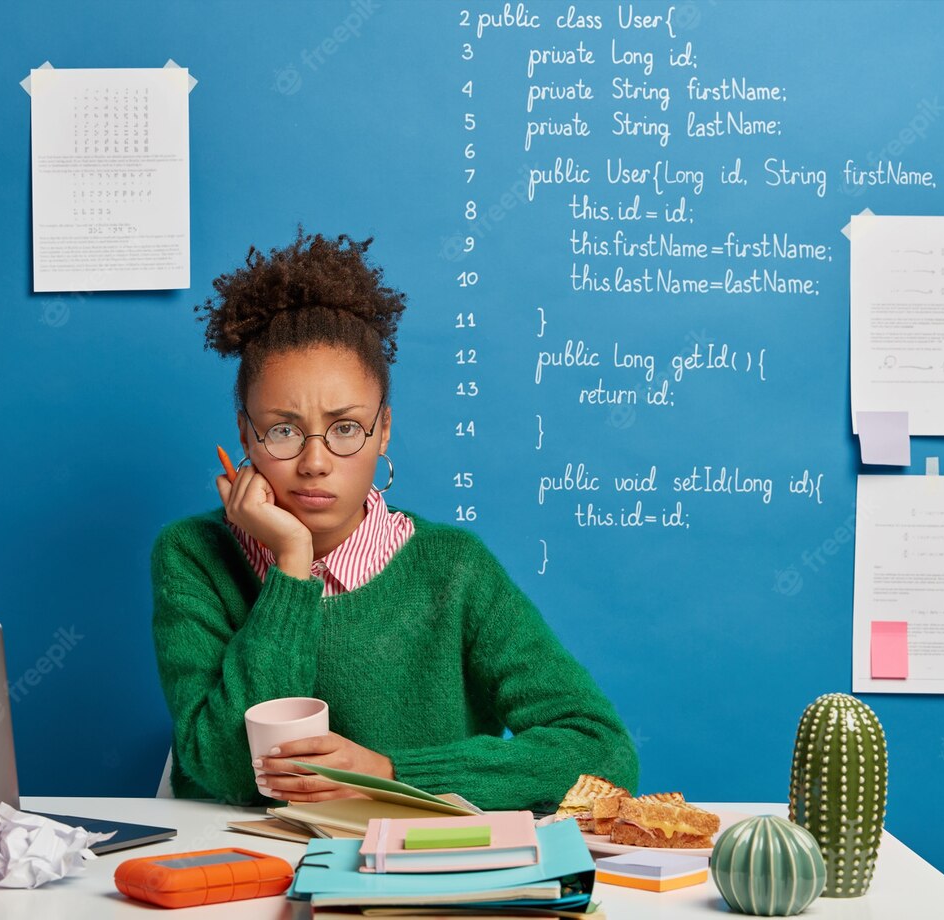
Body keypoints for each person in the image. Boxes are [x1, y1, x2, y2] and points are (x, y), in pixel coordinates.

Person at [151, 228, 638, 809]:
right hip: (244, 874)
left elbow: (603, 753)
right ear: (244, 436)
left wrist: (390, 771)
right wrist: (291, 566)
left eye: (346, 428)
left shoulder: (453, 568)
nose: (314, 462)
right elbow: (228, 768)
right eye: (282, 430)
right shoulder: (193, 554)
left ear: (382, 431)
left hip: (412, 871)